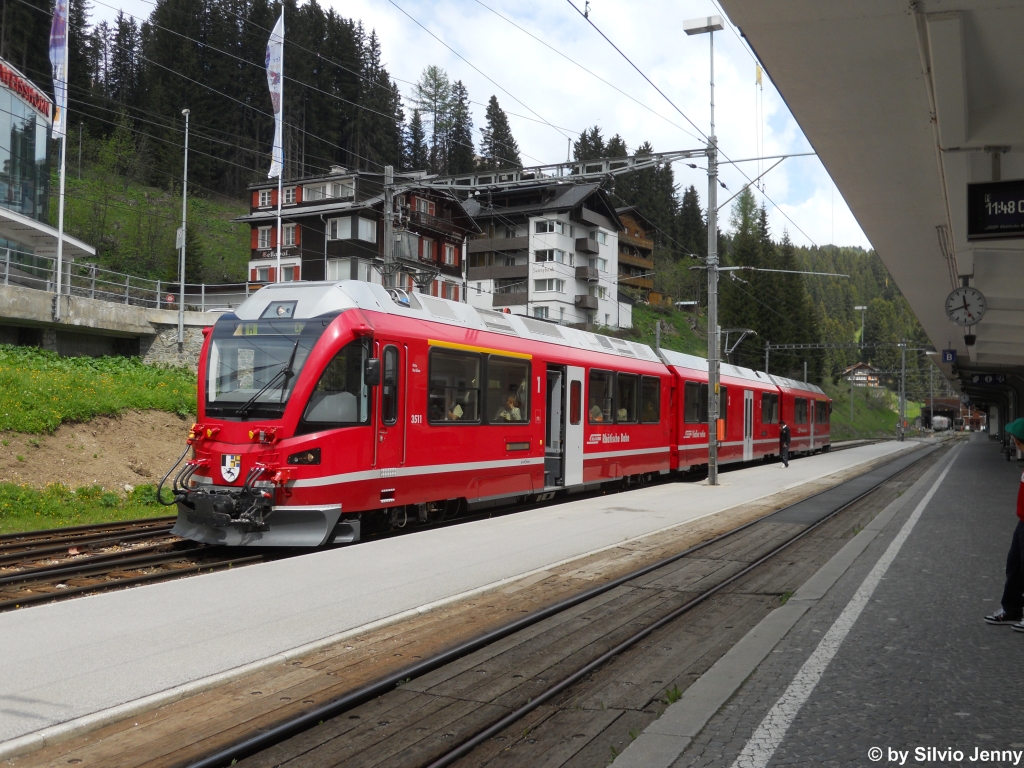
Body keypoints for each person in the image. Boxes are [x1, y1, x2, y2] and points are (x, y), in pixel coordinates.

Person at [985, 418, 1024, 631]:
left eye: (1014, 437)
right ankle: (1012, 609)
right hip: (1022, 523)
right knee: (1014, 566)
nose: (1012, 440)